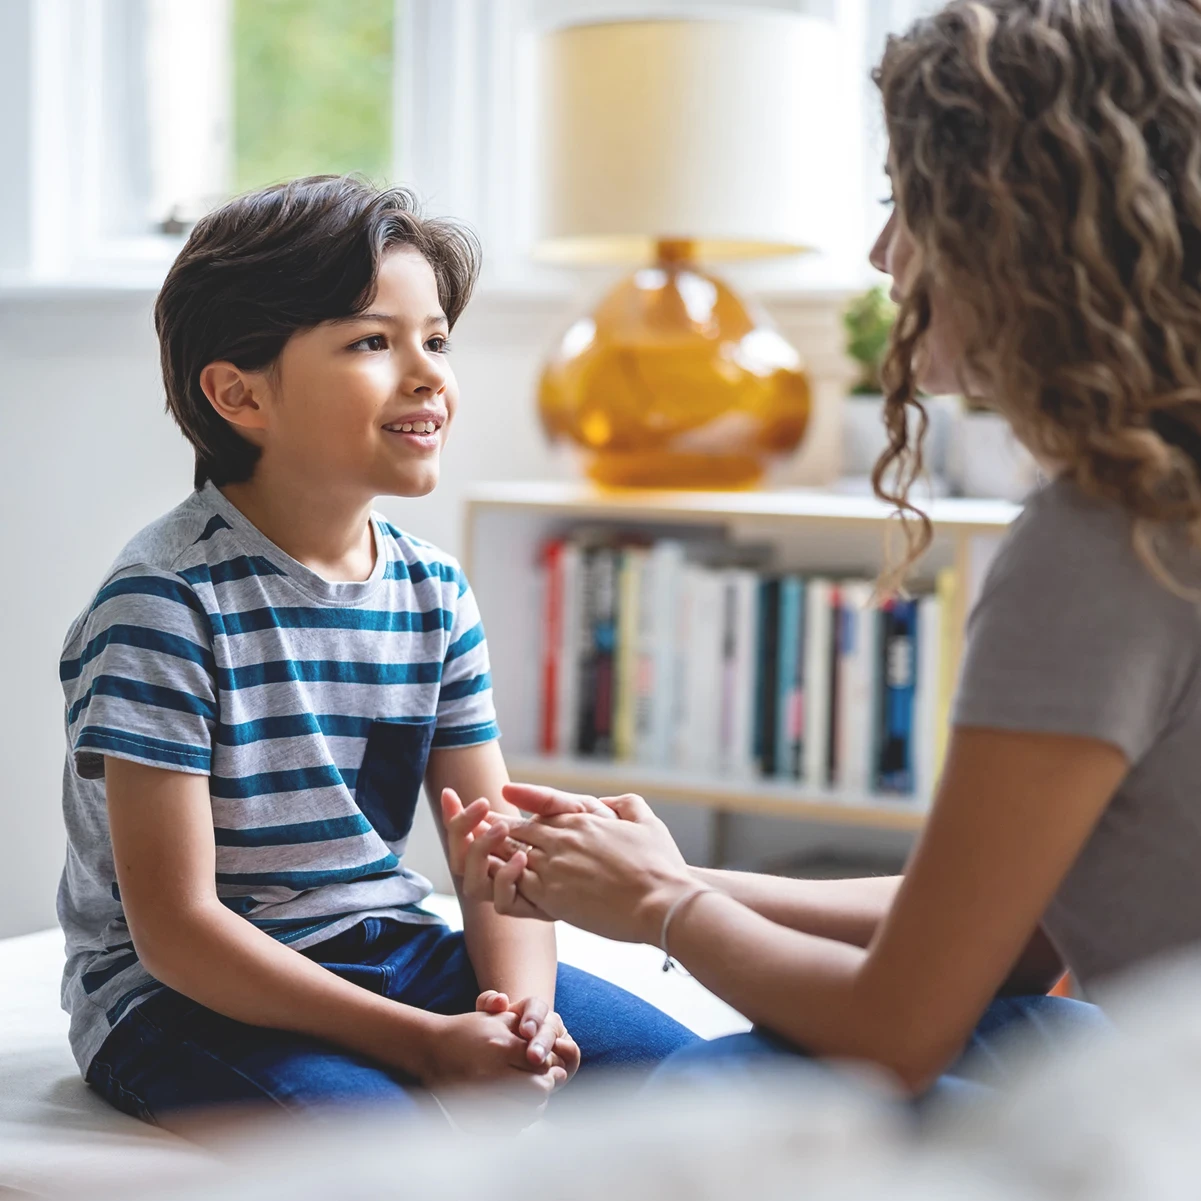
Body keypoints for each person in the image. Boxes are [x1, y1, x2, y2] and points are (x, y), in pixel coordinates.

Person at [447, 0, 1201, 1098]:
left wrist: (659, 908)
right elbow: (1016, 935)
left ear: (1014, 227)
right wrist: (663, 874)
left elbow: (898, 1026)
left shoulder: (1099, 542)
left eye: (909, 206)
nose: (880, 253)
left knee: (710, 1090)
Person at [58, 176, 696, 1130]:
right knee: (393, 1149)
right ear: (239, 393)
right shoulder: (164, 602)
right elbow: (179, 933)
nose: (428, 372)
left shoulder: (432, 591)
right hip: (181, 997)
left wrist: (524, 1018)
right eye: (371, 341)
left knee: (701, 1084)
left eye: (435, 338)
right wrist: (422, 1044)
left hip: (393, 946)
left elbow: (497, 858)